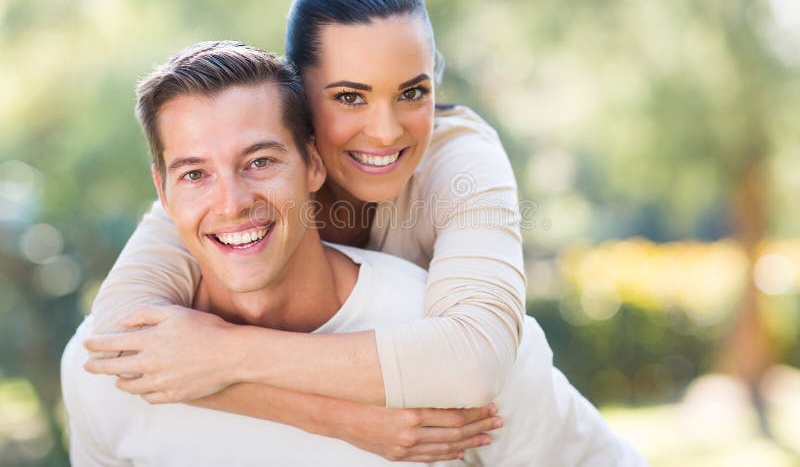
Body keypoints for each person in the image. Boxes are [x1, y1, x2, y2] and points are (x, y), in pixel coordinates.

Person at [63, 41, 643, 466]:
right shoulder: (110, 370)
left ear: (314, 164)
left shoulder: (453, 343)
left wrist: (225, 355)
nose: (233, 202)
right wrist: (344, 421)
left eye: (261, 161)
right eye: (195, 174)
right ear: (162, 194)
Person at [87, 0, 536, 460]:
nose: (386, 131)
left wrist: (221, 353)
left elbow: (474, 362)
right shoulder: (242, 180)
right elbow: (117, 337)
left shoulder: (461, 158)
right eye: (349, 97)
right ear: (299, 96)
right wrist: (340, 420)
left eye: (412, 92)